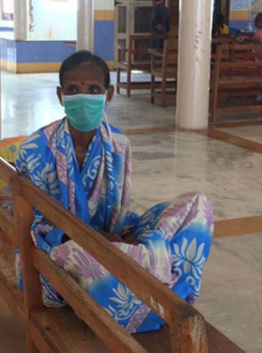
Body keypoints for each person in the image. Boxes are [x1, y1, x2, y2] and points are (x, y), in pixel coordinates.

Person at [15, 51, 213, 334]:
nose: (83, 97)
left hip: (110, 238)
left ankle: (150, 287)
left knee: (196, 206)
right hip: (59, 249)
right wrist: (93, 239)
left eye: (93, 89)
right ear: (60, 96)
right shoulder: (35, 150)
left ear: (108, 94)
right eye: (73, 90)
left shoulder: (118, 142)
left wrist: (121, 236)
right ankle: (145, 298)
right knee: (89, 259)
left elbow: (119, 207)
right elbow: (31, 225)